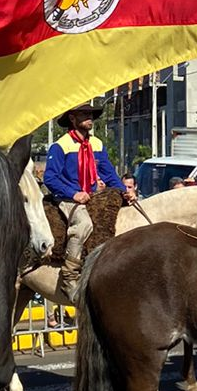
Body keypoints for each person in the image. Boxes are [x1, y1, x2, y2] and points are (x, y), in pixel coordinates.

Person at [43, 100, 131, 288]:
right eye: (84, 114)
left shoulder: (97, 144)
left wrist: (125, 193)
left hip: (92, 196)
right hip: (68, 198)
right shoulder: (60, 146)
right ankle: (69, 274)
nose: (90, 118)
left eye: (91, 115)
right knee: (83, 224)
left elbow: (110, 175)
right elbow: (50, 178)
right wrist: (73, 193)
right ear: (72, 119)